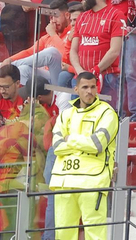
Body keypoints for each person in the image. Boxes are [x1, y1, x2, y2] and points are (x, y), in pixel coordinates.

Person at [49, 71, 119, 240]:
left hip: (92, 181)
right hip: (64, 180)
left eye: (93, 87)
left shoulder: (107, 113)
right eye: (85, 87)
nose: (89, 91)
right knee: (63, 234)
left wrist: (70, 139)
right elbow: (57, 146)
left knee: (95, 233)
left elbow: (97, 144)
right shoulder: (65, 114)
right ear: (76, 90)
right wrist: (83, 143)